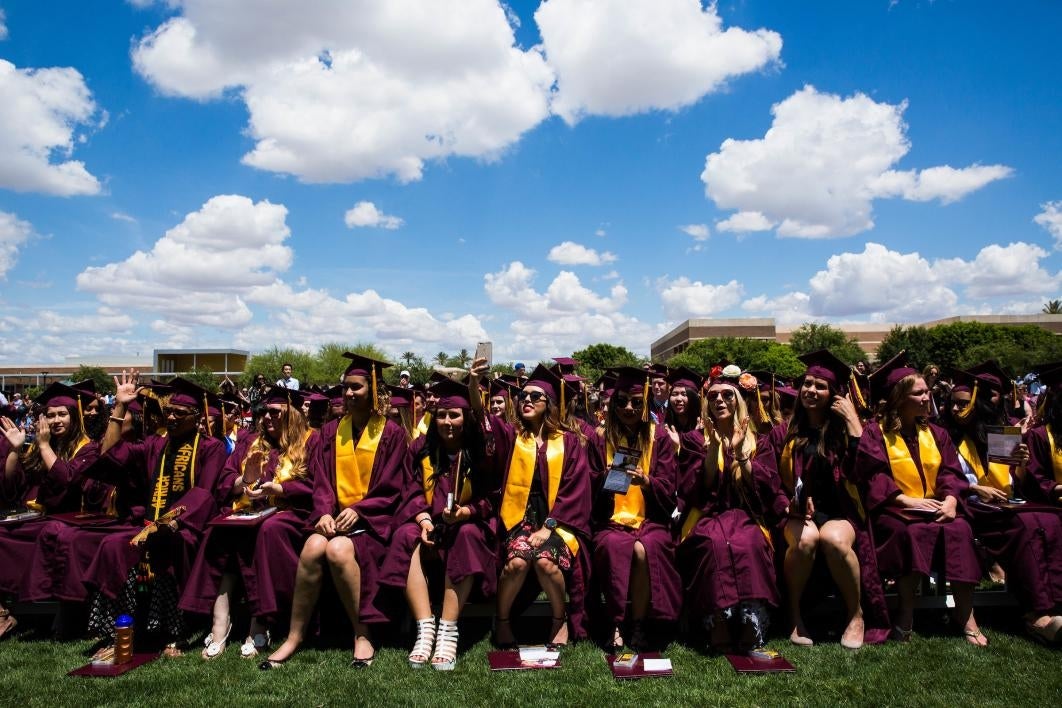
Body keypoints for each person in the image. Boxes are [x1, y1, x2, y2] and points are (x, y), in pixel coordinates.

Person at [260, 353, 408, 670]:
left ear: (373, 390)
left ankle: (362, 634)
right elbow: (322, 482)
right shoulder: (330, 432)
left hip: (372, 525)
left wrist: (361, 510)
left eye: (356, 387)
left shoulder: (392, 433)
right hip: (335, 519)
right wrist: (324, 513)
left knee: (339, 550)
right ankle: (294, 636)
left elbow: (392, 486)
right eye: (345, 388)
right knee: (314, 545)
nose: (349, 394)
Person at [81, 374, 227, 654]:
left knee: (176, 543)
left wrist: (170, 522)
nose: (171, 417)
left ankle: (178, 630)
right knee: (113, 546)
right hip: (148, 524)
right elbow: (110, 454)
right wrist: (120, 408)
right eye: (168, 411)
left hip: (186, 527)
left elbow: (204, 493)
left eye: (179, 413)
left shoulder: (211, 448)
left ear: (197, 417)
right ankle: (119, 630)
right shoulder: (155, 444)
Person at [853, 353, 987, 646]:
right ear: (900, 398)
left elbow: (951, 472)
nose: (928, 397)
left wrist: (951, 500)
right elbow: (872, 476)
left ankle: (966, 615)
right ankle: (906, 612)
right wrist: (904, 501)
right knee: (909, 532)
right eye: (920, 393)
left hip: (937, 507)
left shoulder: (937, 433)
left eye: (927, 391)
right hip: (895, 510)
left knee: (960, 530)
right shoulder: (875, 434)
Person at [180, 386, 320, 659]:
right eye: (264, 412)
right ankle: (220, 623)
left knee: (266, 532)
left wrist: (280, 490)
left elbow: (318, 485)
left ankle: (261, 620)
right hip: (248, 512)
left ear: (291, 414)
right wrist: (245, 479)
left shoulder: (311, 441)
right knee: (218, 532)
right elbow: (226, 480)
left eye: (275, 412)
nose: (267, 417)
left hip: (291, 514)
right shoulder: (250, 441)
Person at [764, 351, 889, 649]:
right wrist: (787, 504)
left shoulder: (846, 431)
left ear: (834, 394)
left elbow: (871, 470)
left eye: (820, 386)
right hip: (795, 513)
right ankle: (794, 616)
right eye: (807, 384)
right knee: (806, 540)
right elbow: (765, 477)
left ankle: (855, 614)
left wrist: (854, 424)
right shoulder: (785, 432)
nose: (811, 390)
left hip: (839, 511)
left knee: (833, 539)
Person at [470, 361, 592, 649]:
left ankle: (558, 620)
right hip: (518, 519)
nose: (526, 400)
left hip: (559, 522)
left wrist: (549, 527)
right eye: (523, 395)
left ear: (549, 404)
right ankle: (502, 621)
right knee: (516, 563)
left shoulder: (569, 442)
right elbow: (481, 417)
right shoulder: (512, 437)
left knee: (546, 562)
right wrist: (474, 385)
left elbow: (575, 490)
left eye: (535, 396)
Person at [380, 379, 498, 670]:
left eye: (454, 415)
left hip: (470, 521)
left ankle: (448, 629)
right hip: (428, 521)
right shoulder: (422, 447)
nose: (447, 421)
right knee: (405, 535)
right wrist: (422, 520)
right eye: (442, 415)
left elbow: (494, 496)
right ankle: (425, 628)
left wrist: (466, 513)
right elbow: (409, 489)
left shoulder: (481, 451)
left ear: (466, 417)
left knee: (467, 535)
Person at [945, 367, 1062, 644]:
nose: (956, 408)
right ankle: (1037, 614)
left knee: (1052, 521)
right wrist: (973, 488)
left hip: (1004, 503)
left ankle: (1056, 603)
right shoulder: (943, 435)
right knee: (1026, 524)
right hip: (968, 504)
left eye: (963, 403)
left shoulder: (998, 434)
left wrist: (1020, 463)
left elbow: (1016, 482)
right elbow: (942, 478)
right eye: (953, 403)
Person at [676, 367, 787, 657]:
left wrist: (739, 453)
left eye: (728, 395)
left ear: (739, 400)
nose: (720, 401)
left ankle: (750, 620)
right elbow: (694, 490)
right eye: (713, 397)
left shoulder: (758, 442)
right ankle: (718, 622)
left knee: (747, 543)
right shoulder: (692, 441)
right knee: (713, 543)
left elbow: (766, 489)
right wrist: (713, 450)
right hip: (706, 516)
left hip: (746, 515)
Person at [0, 383, 101, 639]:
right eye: (51, 415)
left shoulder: (88, 448)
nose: (56, 420)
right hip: (39, 518)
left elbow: (65, 479)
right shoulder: (40, 446)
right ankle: (3, 613)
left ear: (74, 417)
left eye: (62, 414)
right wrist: (14, 450)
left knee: (45, 536)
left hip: (73, 521)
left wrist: (44, 445)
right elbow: (13, 486)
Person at [592, 367, 681, 651]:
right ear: (611, 404)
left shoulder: (659, 437)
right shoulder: (600, 438)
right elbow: (586, 490)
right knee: (615, 546)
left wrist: (647, 481)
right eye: (620, 402)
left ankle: (640, 622)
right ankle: (617, 622)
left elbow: (669, 487)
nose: (628, 408)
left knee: (645, 548)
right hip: (610, 520)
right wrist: (602, 481)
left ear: (645, 402)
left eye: (635, 402)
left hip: (650, 519)